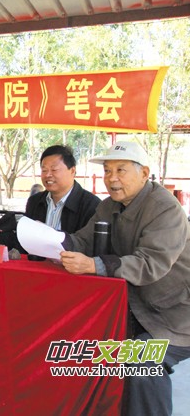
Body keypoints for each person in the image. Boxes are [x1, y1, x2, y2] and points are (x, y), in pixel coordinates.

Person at [60, 141, 190, 416]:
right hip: (133, 307)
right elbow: (83, 240)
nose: (112, 178)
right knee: (80, 346)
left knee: (142, 362)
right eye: (107, 171)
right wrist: (52, 243)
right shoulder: (109, 206)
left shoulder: (165, 208)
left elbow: (149, 263)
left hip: (175, 315)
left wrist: (95, 265)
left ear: (144, 173)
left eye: (121, 170)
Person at [26, 145, 100, 233]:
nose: (48, 175)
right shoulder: (34, 202)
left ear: (72, 171)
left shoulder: (91, 206)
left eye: (54, 170)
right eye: (44, 170)